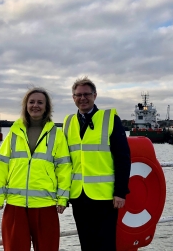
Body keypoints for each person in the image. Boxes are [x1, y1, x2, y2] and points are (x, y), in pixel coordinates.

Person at [0, 87, 72, 251]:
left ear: (47, 107)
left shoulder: (56, 135)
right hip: (15, 205)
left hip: (46, 205)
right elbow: (1, 163)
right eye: (32, 102)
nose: (35, 105)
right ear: (26, 105)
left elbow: (64, 167)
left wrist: (62, 198)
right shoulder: (14, 132)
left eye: (40, 102)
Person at [63, 76, 131, 251]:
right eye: (78, 95)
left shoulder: (109, 118)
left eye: (87, 94)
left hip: (105, 197)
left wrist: (120, 192)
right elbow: (64, 162)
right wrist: (62, 195)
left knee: (106, 243)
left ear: (95, 95)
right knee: (86, 243)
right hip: (78, 195)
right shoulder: (68, 122)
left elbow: (123, 157)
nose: (82, 98)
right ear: (73, 98)